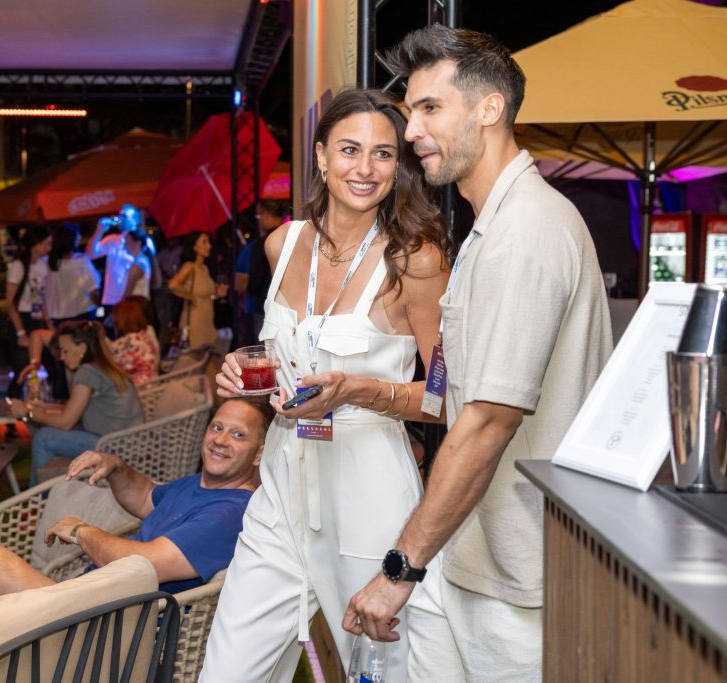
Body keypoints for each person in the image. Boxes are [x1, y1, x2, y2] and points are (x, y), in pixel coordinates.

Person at [343, 26, 612, 682]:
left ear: (489, 109)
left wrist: (399, 568)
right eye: (411, 111)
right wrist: (357, 388)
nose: (411, 131)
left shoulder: (526, 232)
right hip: (465, 553)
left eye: (430, 108)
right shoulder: (488, 228)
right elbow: (452, 394)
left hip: (519, 580)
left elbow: (489, 420)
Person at [200, 88, 451, 681]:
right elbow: (284, 360)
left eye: (383, 154)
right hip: (281, 489)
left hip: (369, 494)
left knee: (384, 671)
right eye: (349, 150)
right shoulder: (282, 244)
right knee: (226, 671)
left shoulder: (416, 260)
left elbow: (448, 394)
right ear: (320, 155)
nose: (365, 168)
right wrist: (242, 374)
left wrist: (361, 390)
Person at [0, 397, 273, 622]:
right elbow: (147, 498)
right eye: (217, 428)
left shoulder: (231, 512)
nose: (221, 440)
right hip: (88, 598)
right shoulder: (198, 486)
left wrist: (81, 531)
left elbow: (146, 565)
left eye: (238, 435)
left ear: (259, 454)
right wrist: (116, 467)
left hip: (113, 627)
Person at [10, 321, 145, 486]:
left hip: (114, 446)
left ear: (81, 348)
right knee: (45, 430)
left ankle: (39, 496)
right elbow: (74, 408)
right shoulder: (101, 366)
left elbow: (66, 422)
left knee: (44, 438)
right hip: (129, 442)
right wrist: (44, 408)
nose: (61, 357)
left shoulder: (87, 372)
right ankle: (52, 488)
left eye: (65, 351)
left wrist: (27, 413)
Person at [5, 225, 54, 398]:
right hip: (22, 319)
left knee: (52, 364)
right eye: (46, 243)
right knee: (22, 368)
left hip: (38, 319)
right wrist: (20, 333)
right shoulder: (18, 267)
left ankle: (53, 400)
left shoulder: (42, 265)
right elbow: (10, 303)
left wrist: (49, 323)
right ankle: (11, 403)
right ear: (36, 243)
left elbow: (42, 297)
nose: (49, 247)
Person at [236, 199, 289, 343]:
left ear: (265, 215)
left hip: (264, 308)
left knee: (266, 350)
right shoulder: (291, 239)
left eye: (258, 215)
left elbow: (252, 282)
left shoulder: (261, 244)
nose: (258, 220)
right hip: (290, 308)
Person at [168, 231, 229, 350]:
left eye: (209, 242)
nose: (209, 246)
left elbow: (207, 296)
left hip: (208, 321)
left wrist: (217, 295)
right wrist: (190, 296)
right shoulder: (189, 266)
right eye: (204, 242)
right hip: (194, 322)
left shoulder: (205, 268)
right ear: (194, 247)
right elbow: (173, 285)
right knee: (195, 356)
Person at [46, 222, 101, 325]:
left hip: (58, 316)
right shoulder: (81, 262)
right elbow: (94, 291)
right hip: (83, 313)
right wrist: (100, 310)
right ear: (72, 240)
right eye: (78, 235)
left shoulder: (49, 263)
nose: (80, 238)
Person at [110, 296, 161, 385]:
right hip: (153, 385)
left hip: (138, 390)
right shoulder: (145, 337)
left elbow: (110, 368)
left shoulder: (123, 344)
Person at [87, 215, 135, 308]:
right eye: (120, 215)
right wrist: (99, 231)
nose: (120, 218)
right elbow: (90, 254)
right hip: (112, 300)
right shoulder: (113, 240)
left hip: (132, 299)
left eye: (124, 215)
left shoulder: (141, 242)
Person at [124, 228, 155, 300]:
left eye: (128, 241)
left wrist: (120, 302)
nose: (125, 245)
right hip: (141, 302)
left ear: (138, 243)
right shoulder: (144, 260)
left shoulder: (139, 263)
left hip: (135, 302)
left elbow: (128, 289)